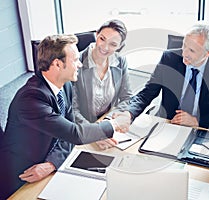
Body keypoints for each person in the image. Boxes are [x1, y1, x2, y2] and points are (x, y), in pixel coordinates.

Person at [0, 34, 130, 199]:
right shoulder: (31, 98)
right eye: (75, 60)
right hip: (20, 176)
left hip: (46, 166)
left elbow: (69, 130)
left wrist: (52, 163)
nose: (80, 64)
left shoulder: (65, 85)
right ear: (57, 64)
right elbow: (74, 133)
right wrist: (115, 124)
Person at [128, 22, 209, 131]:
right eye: (184, 45)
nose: (184, 53)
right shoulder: (169, 59)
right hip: (169, 123)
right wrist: (129, 113)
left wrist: (197, 121)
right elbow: (147, 93)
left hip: (203, 128)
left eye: (192, 50)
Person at [73, 19, 132, 149]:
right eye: (102, 39)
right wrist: (96, 132)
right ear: (96, 34)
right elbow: (72, 109)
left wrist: (107, 123)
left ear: (119, 47)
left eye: (113, 44)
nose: (105, 47)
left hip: (108, 127)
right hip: (82, 129)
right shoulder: (76, 63)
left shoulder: (120, 61)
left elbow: (126, 97)